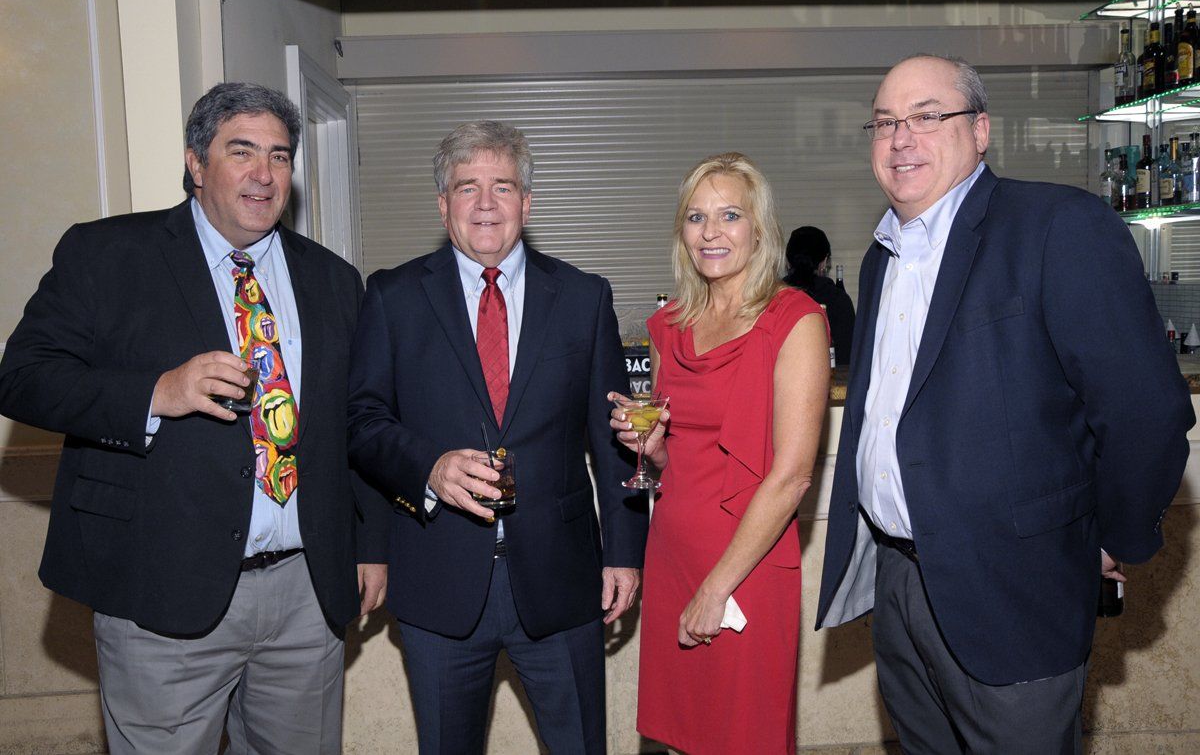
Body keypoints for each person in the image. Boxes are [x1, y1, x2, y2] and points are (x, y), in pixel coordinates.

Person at [816, 55, 1194, 754]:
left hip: (1015, 591)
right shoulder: (880, 257)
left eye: (928, 116)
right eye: (886, 122)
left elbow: (1147, 411)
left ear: (981, 130)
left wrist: (1108, 537)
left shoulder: (1057, 226)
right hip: (899, 584)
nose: (901, 138)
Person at [0, 82, 390, 753]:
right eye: (242, 151)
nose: (263, 173)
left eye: (279, 155)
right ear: (196, 163)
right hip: (162, 588)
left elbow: (355, 422)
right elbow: (23, 379)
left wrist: (371, 542)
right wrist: (157, 392)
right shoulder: (107, 255)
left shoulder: (333, 279)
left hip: (306, 594)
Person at [346, 120, 647, 754]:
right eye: (467, 187)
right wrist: (429, 468)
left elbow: (615, 435)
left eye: (503, 187)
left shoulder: (583, 298)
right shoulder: (393, 297)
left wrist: (624, 551)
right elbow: (363, 422)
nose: (486, 204)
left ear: (527, 203)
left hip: (562, 582)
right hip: (439, 582)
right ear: (442, 205)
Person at [611, 153, 831, 754]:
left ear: (759, 229)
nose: (711, 232)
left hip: (747, 564)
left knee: (745, 735)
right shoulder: (667, 325)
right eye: (696, 216)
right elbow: (677, 459)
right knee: (681, 734)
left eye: (730, 215)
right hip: (673, 554)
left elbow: (792, 477)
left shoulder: (796, 320)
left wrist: (717, 587)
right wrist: (652, 448)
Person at [784, 225, 855, 365]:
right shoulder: (839, 301)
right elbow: (847, 358)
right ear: (824, 262)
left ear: (787, 261)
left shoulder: (771, 298)